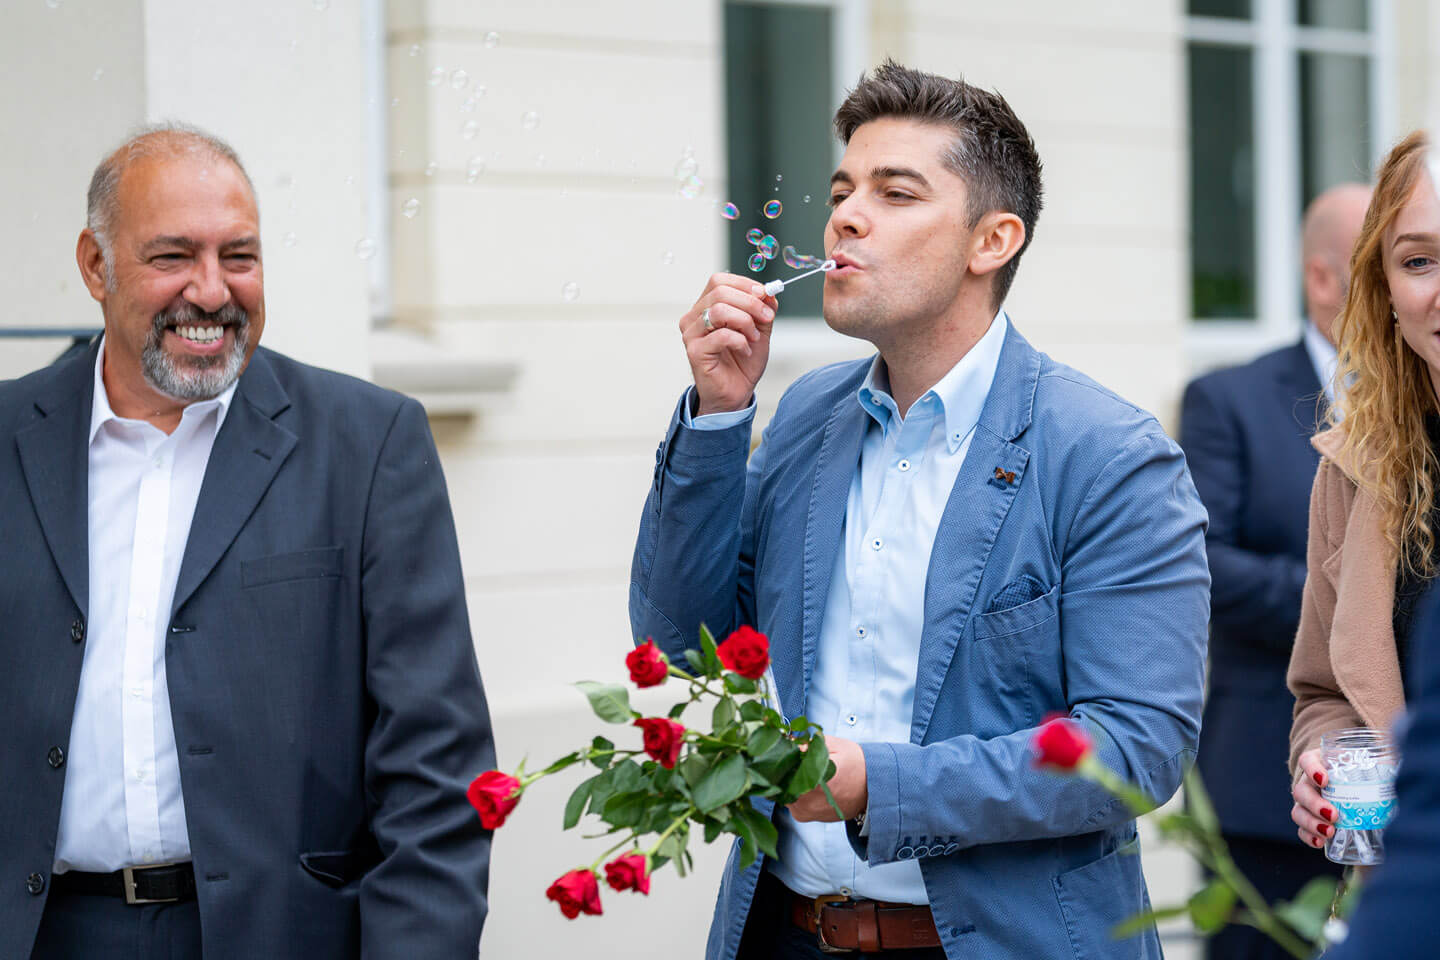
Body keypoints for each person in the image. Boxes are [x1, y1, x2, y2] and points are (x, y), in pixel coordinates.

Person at [630, 60, 1209, 960]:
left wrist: (880, 784)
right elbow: (680, 640)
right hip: (787, 932)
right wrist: (717, 416)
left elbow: (1134, 748)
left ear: (993, 241)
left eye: (895, 194)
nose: (846, 217)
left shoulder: (1107, 454)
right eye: (841, 192)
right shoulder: (804, 418)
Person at [0, 124, 495, 959]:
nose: (211, 291)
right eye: (172, 257)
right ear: (95, 265)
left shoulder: (368, 445)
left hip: (281, 937)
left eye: (239, 256)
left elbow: (436, 772)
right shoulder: (10, 435)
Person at [1180, 183, 1367, 960]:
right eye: (1394, 262)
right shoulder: (1228, 400)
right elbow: (1204, 565)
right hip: (1269, 791)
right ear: (1323, 279)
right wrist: (1359, 608)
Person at [1288, 132, 1435, 852]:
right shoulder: (1355, 468)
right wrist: (1321, 762)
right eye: (1418, 261)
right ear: (1385, 293)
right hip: (1409, 885)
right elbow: (1325, 693)